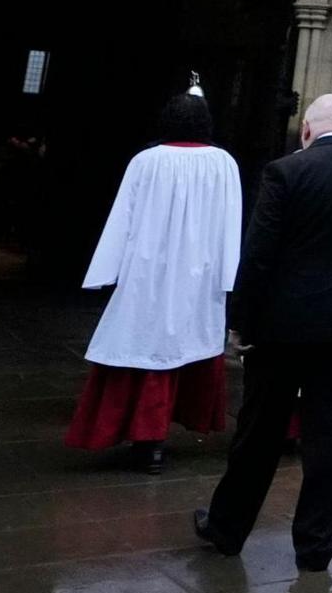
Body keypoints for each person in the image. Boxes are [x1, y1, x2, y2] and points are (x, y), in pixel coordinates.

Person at [194, 94, 332, 571]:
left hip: (282, 326)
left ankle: (227, 528)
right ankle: (316, 545)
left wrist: (241, 321)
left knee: (260, 431)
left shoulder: (286, 172)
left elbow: (260, 253)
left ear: (306, 129)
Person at [64, 92, 239, 473]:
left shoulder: (145, 161)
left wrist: (106, 273)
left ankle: (147, 438)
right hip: (199, 274)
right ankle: (155, 438)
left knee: (144, 345)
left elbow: (121, 218)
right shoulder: (223, 164)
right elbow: (231, 224)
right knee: (179, 345)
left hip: (148, 272)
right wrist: (229, 276)